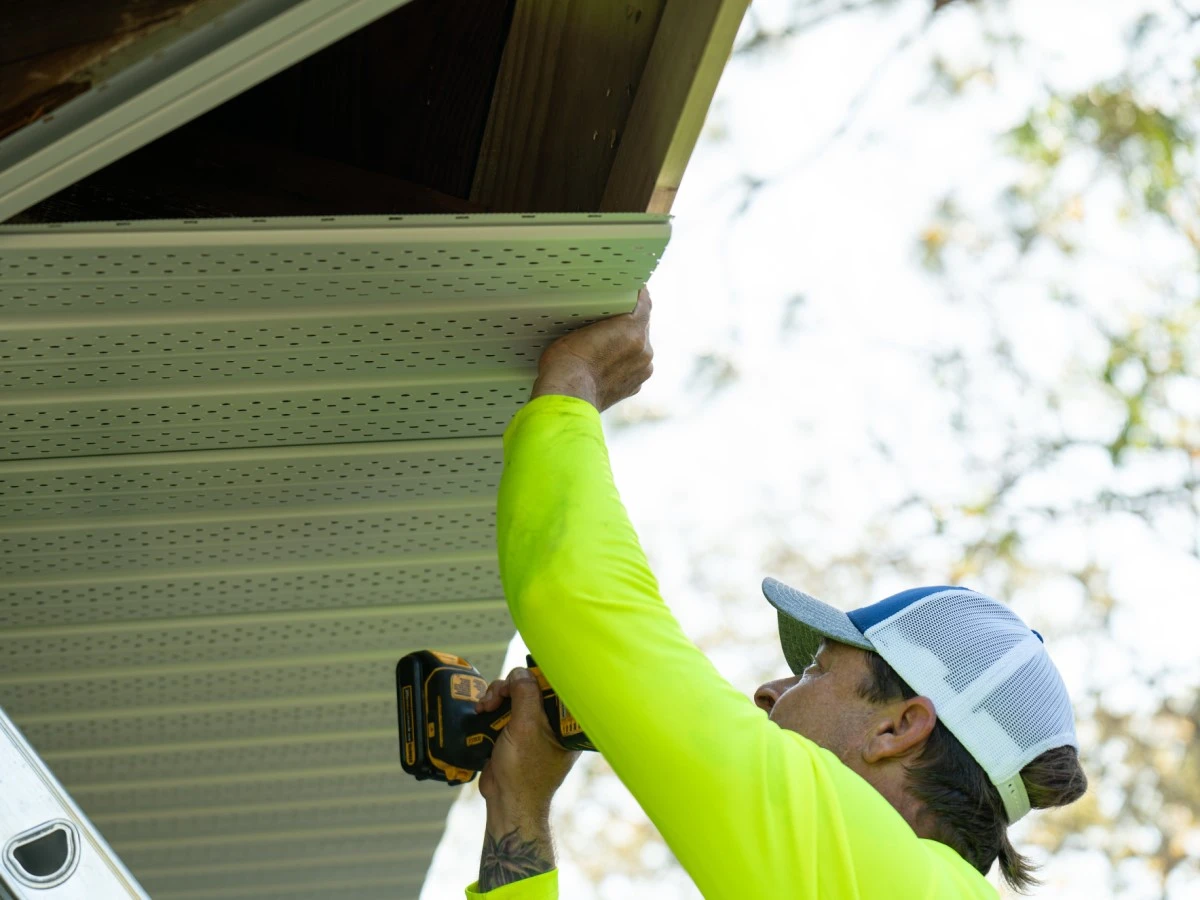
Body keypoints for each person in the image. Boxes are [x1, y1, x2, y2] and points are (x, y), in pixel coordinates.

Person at [463, 288, 1088, 899]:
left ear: (900, 726)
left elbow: (578, 600)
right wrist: (518, 812)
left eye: (815, 671)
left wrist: (574, 383)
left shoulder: (881, 873)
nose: (766, 693)